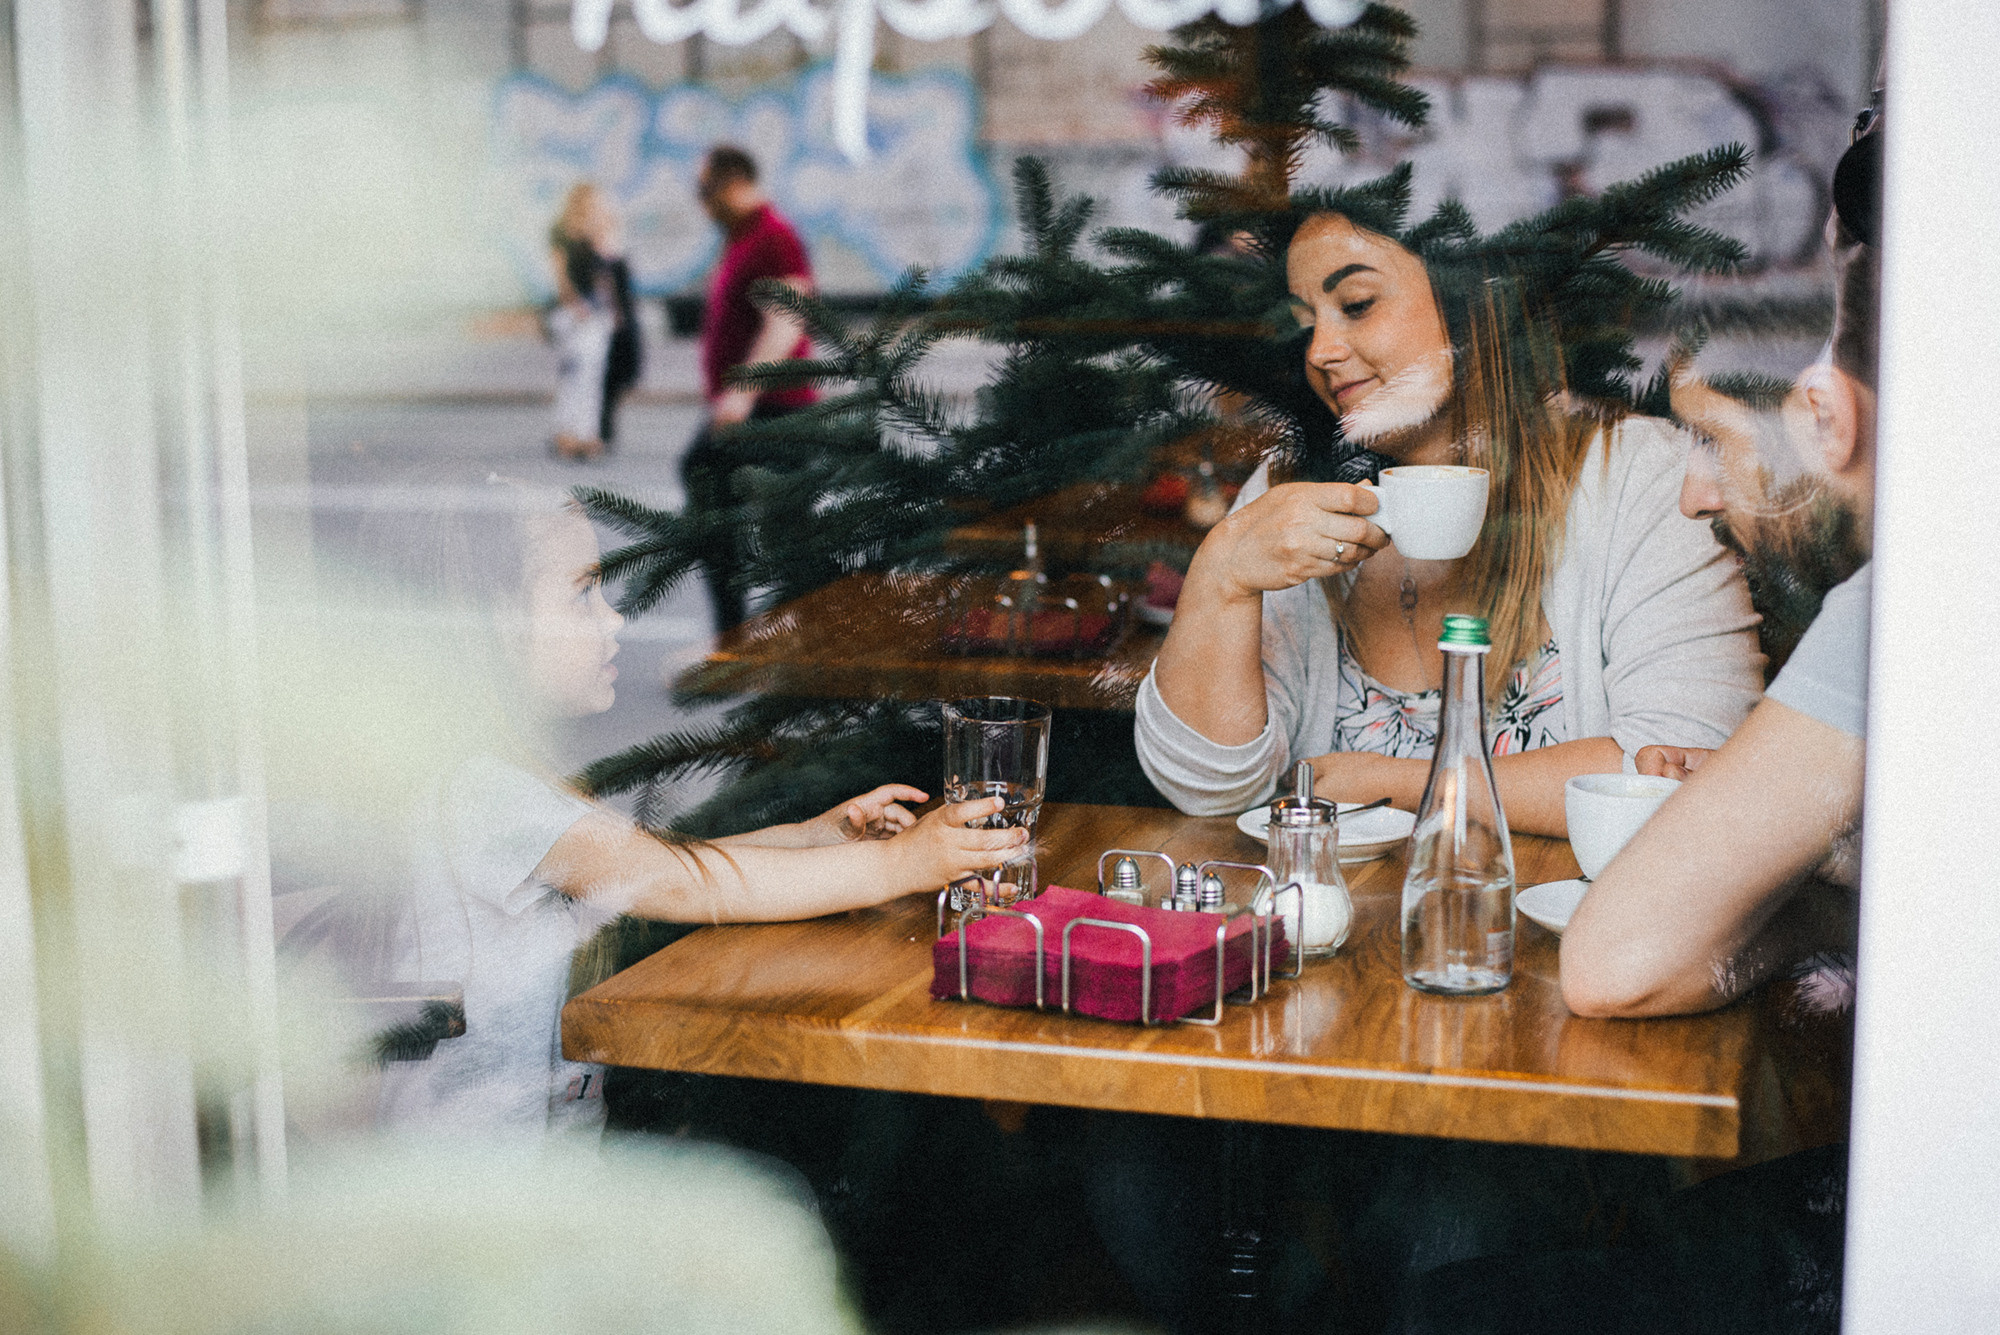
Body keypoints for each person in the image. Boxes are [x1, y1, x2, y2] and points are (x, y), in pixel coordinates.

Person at [365, 476, 1024, 1142]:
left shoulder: (493, 782)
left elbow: (669, 865)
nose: (613, 617)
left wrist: (816, 837)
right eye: (582, 592)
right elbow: (684, 883)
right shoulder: (487, 793)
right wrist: (897, 865)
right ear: (490, 624)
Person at [1136, 209, 1765, 835]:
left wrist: (1400, 784)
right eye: (1306, 326)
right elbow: (1207, 788)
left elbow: (1687, 764)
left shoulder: (1642, 475)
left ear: (1472, 307)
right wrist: (1221, 575)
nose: (1322, 352)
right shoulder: (1290, 490)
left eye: (1356, 304)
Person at [1559, 174, 1878, 1022]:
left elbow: (1611, 968)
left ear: (1822, 417)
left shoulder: (1890, 619)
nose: (1694, 495)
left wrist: (1813, 904)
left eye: (1712, 441)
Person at [682, 145, 818, 632]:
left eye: (704, 191)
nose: (701, 203)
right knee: (711, 494)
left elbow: (788, 314)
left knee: (785, 529)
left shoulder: (772, 235)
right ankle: (736, 636)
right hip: (753, 410)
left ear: (733, 181)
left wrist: (742, 390)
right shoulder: (744, 236)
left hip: (775, 409)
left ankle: (797, 642)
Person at [547, 184, 641, 461]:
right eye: (592, 203)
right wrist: (575, 306)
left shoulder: (598, 235)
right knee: (575, 377)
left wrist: (613, 313)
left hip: (597, 318)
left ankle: (586, 433)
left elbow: (607, 279)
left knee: (591, 378)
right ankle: (568, 433)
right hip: (575, 315)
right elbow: (562, 276)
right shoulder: (563, 234)